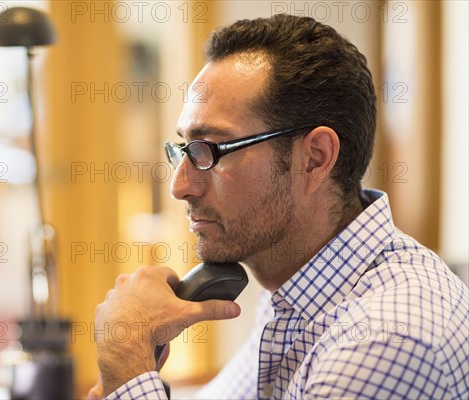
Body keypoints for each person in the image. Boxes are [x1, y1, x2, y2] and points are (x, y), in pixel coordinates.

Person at [91, 14, 469, 399]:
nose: (180, 187)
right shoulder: (298, 291)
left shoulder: (388, 337)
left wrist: (128, 360)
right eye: (183, 150)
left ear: (315, 159)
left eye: (210, 151)